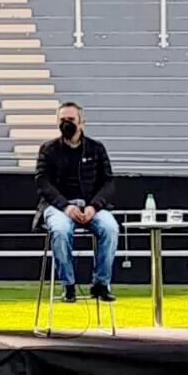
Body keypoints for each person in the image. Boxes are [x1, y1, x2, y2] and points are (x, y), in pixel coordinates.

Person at [34, 101, 119, 303]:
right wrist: (65, 206)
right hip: (58, 207)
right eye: (62, 120)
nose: (66, 123)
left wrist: (93, 206)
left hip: (91, 206)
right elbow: (42, 183)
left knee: (111, 228)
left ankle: (101, 284)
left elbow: (108, 182)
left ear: (81, 122)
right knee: (61, 231)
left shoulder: (96, 149)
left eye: (70, 119)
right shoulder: (48, 149)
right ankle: (68, 285)